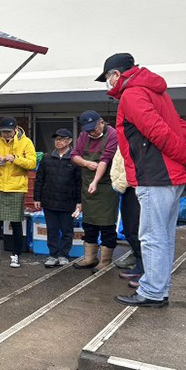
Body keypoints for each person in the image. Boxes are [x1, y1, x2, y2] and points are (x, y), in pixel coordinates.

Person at [99, 53, 186, 307]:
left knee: (151, 237)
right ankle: (160, 287)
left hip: (155, 175)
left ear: (116, 74)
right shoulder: (156, 91)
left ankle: (152, 291)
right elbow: (179, 126)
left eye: (106, 78)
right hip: (170, 175)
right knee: (164, 236)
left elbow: (157, 131)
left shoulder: (133, 94)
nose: (107, 83)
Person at [0, 117, 36, 268]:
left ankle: (16, 255)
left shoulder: (26, 142)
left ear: (15, 129)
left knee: (16, 222)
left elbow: (32, 163)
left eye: (8, 132)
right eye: (3, 132)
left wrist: (16, 159)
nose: (6, 135)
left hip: (17, 187)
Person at [71, 110, 120, 273]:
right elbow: (74, 155)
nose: (92, 133)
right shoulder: (84, 136)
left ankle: (105, 261)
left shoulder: (112, 135)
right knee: (89, 223)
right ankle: (90, 258)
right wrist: (85, 163)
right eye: (88, 130)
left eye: (94, 129)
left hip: (105, 186)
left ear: (101, 122)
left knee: (106, 224)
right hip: (87, 185)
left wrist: (96, 181)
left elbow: (105, 159)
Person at [33, 128, 82, 268]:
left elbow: (79, 183)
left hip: (68, 202)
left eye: (62, 139)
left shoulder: (75, 159)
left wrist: (79, 202)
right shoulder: (47, 158)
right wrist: (37, 198)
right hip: (49, 201)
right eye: (56, 139)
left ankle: (64, 254)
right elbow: (39, 180)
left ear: (69, 141)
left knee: (67, 230)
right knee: (52, 229)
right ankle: (53, 254)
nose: (58, 142)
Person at [109, 149, 144, 281]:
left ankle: (145, 269)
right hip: (126, 187)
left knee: (136, 230)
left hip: (137, 186)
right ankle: (139, 263)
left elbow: (133, 165)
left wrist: (119, 183)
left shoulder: (136, 138)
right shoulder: (124, 136)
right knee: (129, 229)